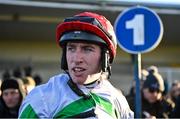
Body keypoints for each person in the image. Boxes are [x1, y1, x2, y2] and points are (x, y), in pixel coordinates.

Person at [18, 12, 134, 118]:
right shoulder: (40, 99)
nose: (76, 59)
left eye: (87, 49)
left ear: (105, 57)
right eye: (71, 48)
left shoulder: (117, 100)